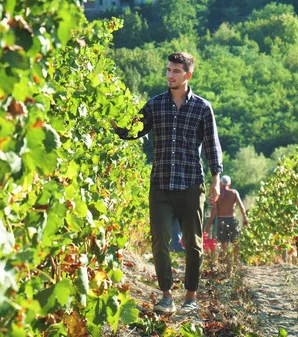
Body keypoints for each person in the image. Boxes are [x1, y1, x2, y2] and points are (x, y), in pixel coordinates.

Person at [111, 52, 223, 315]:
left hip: (190, 184)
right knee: (160, 238)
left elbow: (211, 145)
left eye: (176, 71)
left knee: (193, 243)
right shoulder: (155, 105)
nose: (170, 75)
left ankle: (191, 296)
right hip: (160, 184)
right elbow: (133, 130)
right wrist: (113, 122)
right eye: (168, 70)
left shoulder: (202, 108)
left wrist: (216, 178)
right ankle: (166, 296)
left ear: (188, 75)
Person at [203, 175, 248, 276]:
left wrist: (208, 224)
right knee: (235, 243)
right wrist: (245, 218)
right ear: (229, 184)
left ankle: (225, 267)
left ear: (220, 184)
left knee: (223, 245)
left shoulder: (217, 195)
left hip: (221, 220)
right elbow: (241, 206)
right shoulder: (234, 193)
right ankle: (235, 265)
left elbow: (214, 211)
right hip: (232, 220)